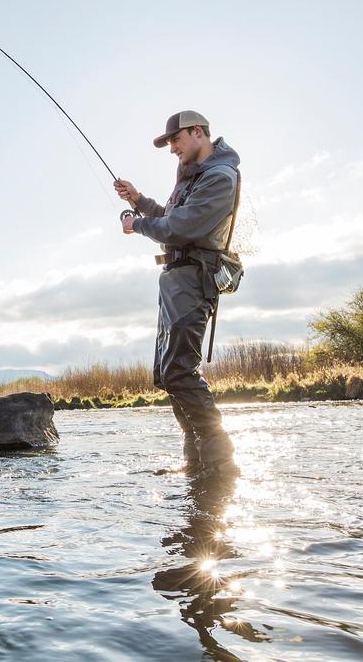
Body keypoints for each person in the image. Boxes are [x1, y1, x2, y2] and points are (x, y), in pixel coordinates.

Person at [114, 110, 241, 480]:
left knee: (181, 372)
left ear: (198, 132)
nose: (172, 148)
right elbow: (169, 216)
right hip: (175, 283)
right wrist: (138, 200)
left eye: (176, 140)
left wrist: (136, 224)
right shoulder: (194, 177)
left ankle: (220, 461)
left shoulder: (219, 177)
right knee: (168, 374)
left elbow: (181, 227)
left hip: (192, 280)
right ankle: (197, 461)